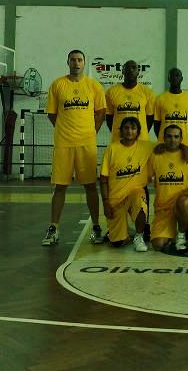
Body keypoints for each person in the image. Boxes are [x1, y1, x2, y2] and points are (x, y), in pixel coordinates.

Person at [42, 49, 106, 246]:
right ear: (68, 62)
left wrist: (90, 132)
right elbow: (52, 114)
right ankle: (53, 228)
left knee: (90, 186)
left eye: (79, 60)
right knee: (60, 187)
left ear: (84, 63)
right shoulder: (57, 85)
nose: (76, 63)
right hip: (64, 144)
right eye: (73, 60)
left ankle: (96, 227)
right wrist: (64, 130)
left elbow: (101, 112)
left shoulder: (94, 86)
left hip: (86, 144)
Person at [99, 117, 154, 251]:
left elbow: (168, 146)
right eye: (126, 128)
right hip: (116, 200)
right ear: (121, 131)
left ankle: (139, 236)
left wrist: (185, 149)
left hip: (134, 193)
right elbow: (103, 179)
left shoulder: (146, 147)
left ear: (138, 132)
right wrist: (106, 202)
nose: (129, 131)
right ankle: (122, 231)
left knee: (140, 200)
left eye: (133, 128)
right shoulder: (111, 149)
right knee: (117, 243)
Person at [149, 124, 188, 252]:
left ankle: (181, 235)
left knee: (185, 201)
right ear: (163, 138)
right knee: (158, 245)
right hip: (163, 208)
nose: (173, 140)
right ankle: (171, 232)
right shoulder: (155, 156)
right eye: (169, 136)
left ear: (181, 139)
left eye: (176, 137)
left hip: (182, 204)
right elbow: (146, 178)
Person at [105, 60, 155, 142]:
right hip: (118, 139)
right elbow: (109, 118)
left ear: (138, 72)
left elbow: (149, 119)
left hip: (140, 140)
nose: (131, 70)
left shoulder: (148, 92)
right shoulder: (111, 92)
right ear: (122, 71)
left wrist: (140, 132)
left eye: (134, 68)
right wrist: (119, 132)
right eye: (127, 68)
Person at [153, 68, 188, 145]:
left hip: (184, 143)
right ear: (168, 78)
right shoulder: (160, 98)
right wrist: (163, 139)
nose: (175, 78)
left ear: (182, 79)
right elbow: (156, 124)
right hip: (164, 143)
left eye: (177, 75)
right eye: (172, 76)